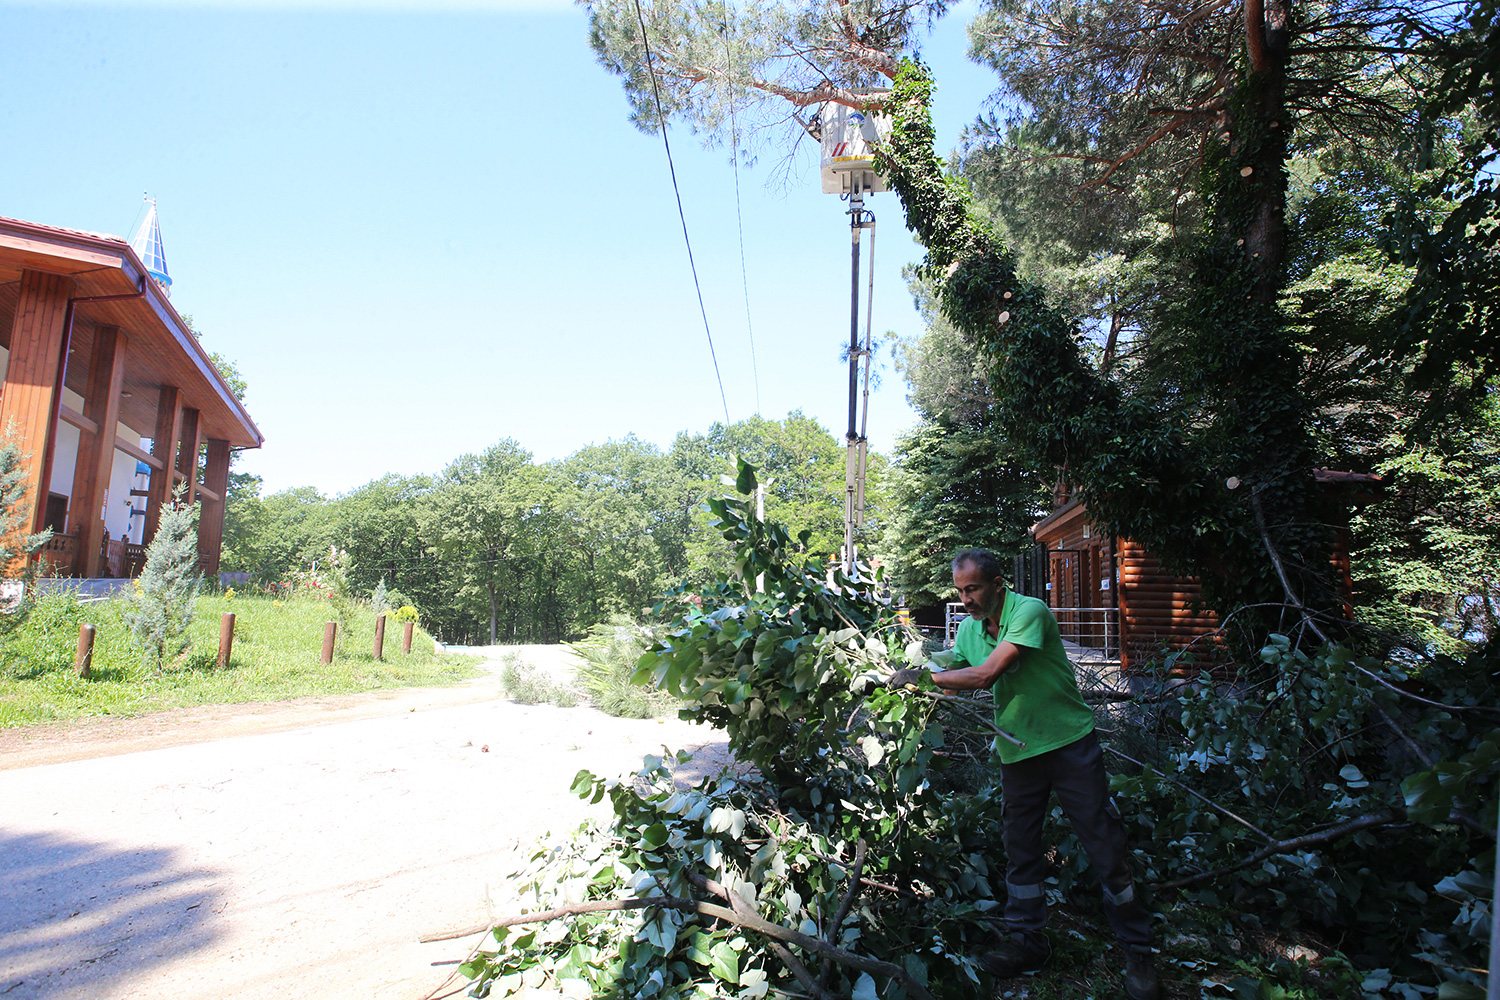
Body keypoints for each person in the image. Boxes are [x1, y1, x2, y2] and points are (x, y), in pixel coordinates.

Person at [887, 548, 1158, 1000]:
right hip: (1019, 752)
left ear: (997, 584)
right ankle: (1026, 941)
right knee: (1020, 848)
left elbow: (987, 675)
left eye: (972, 588)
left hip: (1068, 743)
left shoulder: (1029, 611)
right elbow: (955, 666)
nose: (966, 598)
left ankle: (1139, 952)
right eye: (959, 590)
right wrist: (898, 677)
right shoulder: (972, 630)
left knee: (1103, 841)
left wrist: (921, 678)